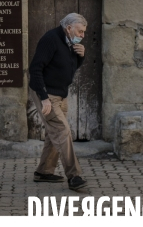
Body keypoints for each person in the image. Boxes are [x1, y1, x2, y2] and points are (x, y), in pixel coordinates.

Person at [29, 12, 88, 191]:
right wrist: (44, 98)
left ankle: (44, 171)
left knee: (54, 133)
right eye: (80, 31)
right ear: (68, 28)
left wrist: (81, 56)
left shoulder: (70, 42)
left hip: (61, 95)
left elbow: (68, 69)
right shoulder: (51, 39)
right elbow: (35, 69)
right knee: (63, 131)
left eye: (84, 32)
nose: (82, 35)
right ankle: (74, 176)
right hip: (47, 94)